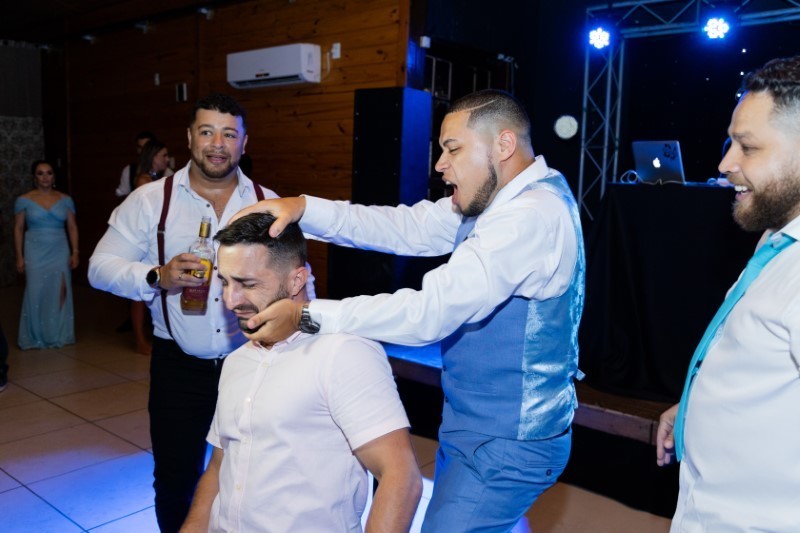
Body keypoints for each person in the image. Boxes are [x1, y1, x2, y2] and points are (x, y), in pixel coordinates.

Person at [232, 89, 586, 531]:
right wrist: (305, 208)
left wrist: (305, 315)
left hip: (508, 441)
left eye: (453, 149)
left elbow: (429, 313)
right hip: (475, 427)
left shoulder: (531, 216)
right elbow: (404, 226)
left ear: (503, 144)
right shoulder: (499, 199)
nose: (440, 165)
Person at [88, 93, 313, 532]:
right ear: (190, 137)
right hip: (178, 368)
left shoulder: (269, 202)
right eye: (207, 132)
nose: (217, 144)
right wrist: (158, 276)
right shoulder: (150, 201)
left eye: (229, 134)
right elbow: (99, 267)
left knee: (256, 477)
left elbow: (300, 284)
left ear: (244, 143)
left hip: (255, 363)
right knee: (176, 479)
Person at [180, 213, 422, 532]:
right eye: (225, 282)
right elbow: (220, 465)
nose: (230, 300)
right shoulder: (237, 360)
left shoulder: (344, 353)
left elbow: (401, 478)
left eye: (247, 284)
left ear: (296, 281)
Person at [656, 55, 800, 531]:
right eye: (730, 142)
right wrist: (694, 406)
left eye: (748, 147)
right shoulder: (777, 235)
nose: (725, 163)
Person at [14, 160, 79, 350]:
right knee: (36, 291)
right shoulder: (24, 200)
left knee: (60, 290)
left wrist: (75, 251)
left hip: (59, 249)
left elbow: (72, 227)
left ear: (54, 176)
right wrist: (19, 256)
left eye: (49, 173)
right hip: (34, 250)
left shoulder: (65, 199)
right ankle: (35, 335)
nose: (45, 177)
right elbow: (18, 228)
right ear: (34, 177)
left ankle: (59, 333)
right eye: (40, 173)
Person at [130, 139, 172, 355]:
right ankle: (139, 340)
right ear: (153, 157)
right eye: (163, 155)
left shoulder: (158, 178)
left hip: (155, 239)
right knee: (140, 294)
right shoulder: (143, 181)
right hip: (144, 241)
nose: (167, 159)